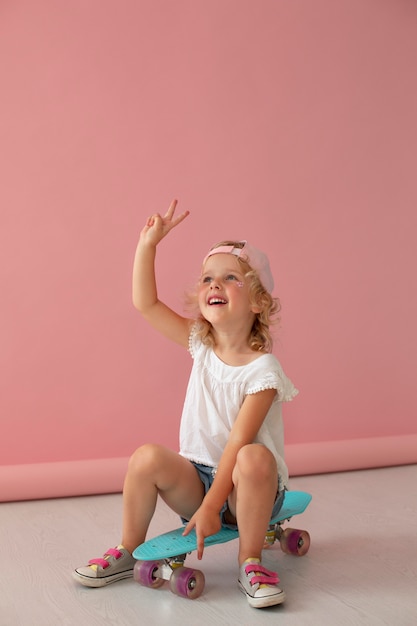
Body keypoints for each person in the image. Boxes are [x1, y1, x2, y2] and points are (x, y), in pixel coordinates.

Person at [73, 199, 298, 608]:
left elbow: (235, 444)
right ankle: (127, 549)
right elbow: (146, 304)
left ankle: (251, 561)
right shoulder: (201, 345)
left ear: (259, 302)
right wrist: (148, 246)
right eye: (208, 278)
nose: (214, 284)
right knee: (145, 457)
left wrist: (213, 508)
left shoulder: (264, 370)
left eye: (230, 278)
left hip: (247, 491)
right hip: (199, 478)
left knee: (253, 456)